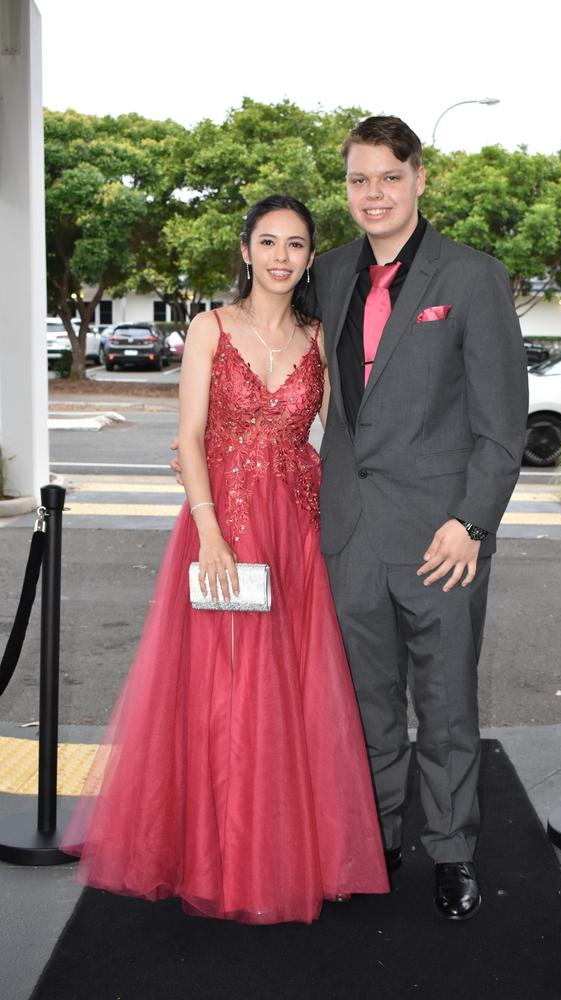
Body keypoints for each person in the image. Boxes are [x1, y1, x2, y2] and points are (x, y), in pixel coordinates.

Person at [61, 194, 389, 924]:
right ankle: (214, 851)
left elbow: (341, 437)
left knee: (293, 690)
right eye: (267, 242)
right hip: (224, 524)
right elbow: (189, 436)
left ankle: (288, 848)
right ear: (245, 251)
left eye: (296, 244)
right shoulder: (209, 328)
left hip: (297, 527)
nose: (280, 256)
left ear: (309, 256)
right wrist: (209, 529)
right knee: (220, 687)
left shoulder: (318, 334)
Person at [313, 116, 529, 921]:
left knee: (445, 705)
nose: (373, 194)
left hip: (442, 537)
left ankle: (452, 850)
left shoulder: (471, 276)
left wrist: (471, 522)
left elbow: (504, 424)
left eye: (388, 178)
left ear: (420, 179)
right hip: (350, 531)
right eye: (359, 179)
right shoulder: (330, 272)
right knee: (368, 702)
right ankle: (378, 834)